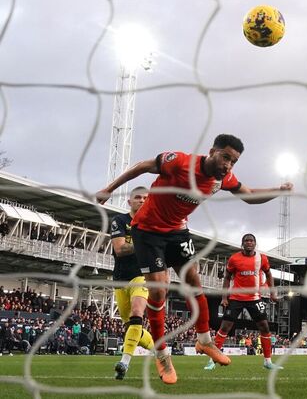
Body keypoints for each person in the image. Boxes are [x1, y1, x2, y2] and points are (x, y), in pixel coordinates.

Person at [96, 134, 292, 384]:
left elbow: (249, 194)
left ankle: (205, 341)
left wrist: (279, 191)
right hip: (147, 231)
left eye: (233, 162)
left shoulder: (222, 179)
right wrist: (109, 188)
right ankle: (162, 355)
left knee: (193, 281)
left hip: (177, 231)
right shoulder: (179, 162)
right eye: (225, 158)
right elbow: (143, 166)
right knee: (158, 291)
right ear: (212, 152)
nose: (228, 165)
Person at [204, 233, 282, 371]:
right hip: (236, 298)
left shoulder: (262, 258)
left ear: (255, 244)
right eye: (246, 240)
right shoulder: (234, 258)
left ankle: (268, 362)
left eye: (251, 240)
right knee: (225, 327)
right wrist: (224, 297)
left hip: (255, 298)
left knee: (265, 327)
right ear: (242, 244)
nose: (249, 243)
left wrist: (272, 293)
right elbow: (227, 277)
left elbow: (269, 274)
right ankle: (212, 360)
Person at [110, 186, 156, 379]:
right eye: (138, 197)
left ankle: (124, 363)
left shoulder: (154, 224)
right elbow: (120, 249)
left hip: (142, 275)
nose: (142, 201)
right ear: (129, 202)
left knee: (137, 314)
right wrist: (144, 243)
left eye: (146, 198)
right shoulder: (120, 221)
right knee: (131, 328)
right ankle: (160, 351)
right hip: (121, 278)